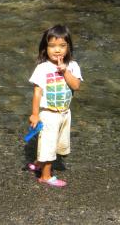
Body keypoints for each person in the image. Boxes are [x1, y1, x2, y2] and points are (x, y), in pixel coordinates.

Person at [28, 25, 83, 187]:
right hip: (49, 113)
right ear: (45, 48)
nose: (57, 50)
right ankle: (45, 176)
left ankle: (38, 163)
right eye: (52, 46)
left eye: (62, 46)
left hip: (65, 113)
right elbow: (37, 93)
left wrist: (65, 71)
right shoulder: (42, 68)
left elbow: (76, 86)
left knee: (57, 142)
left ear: (68, 47)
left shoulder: (73, 66)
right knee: (48, 144)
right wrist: (35, 114)